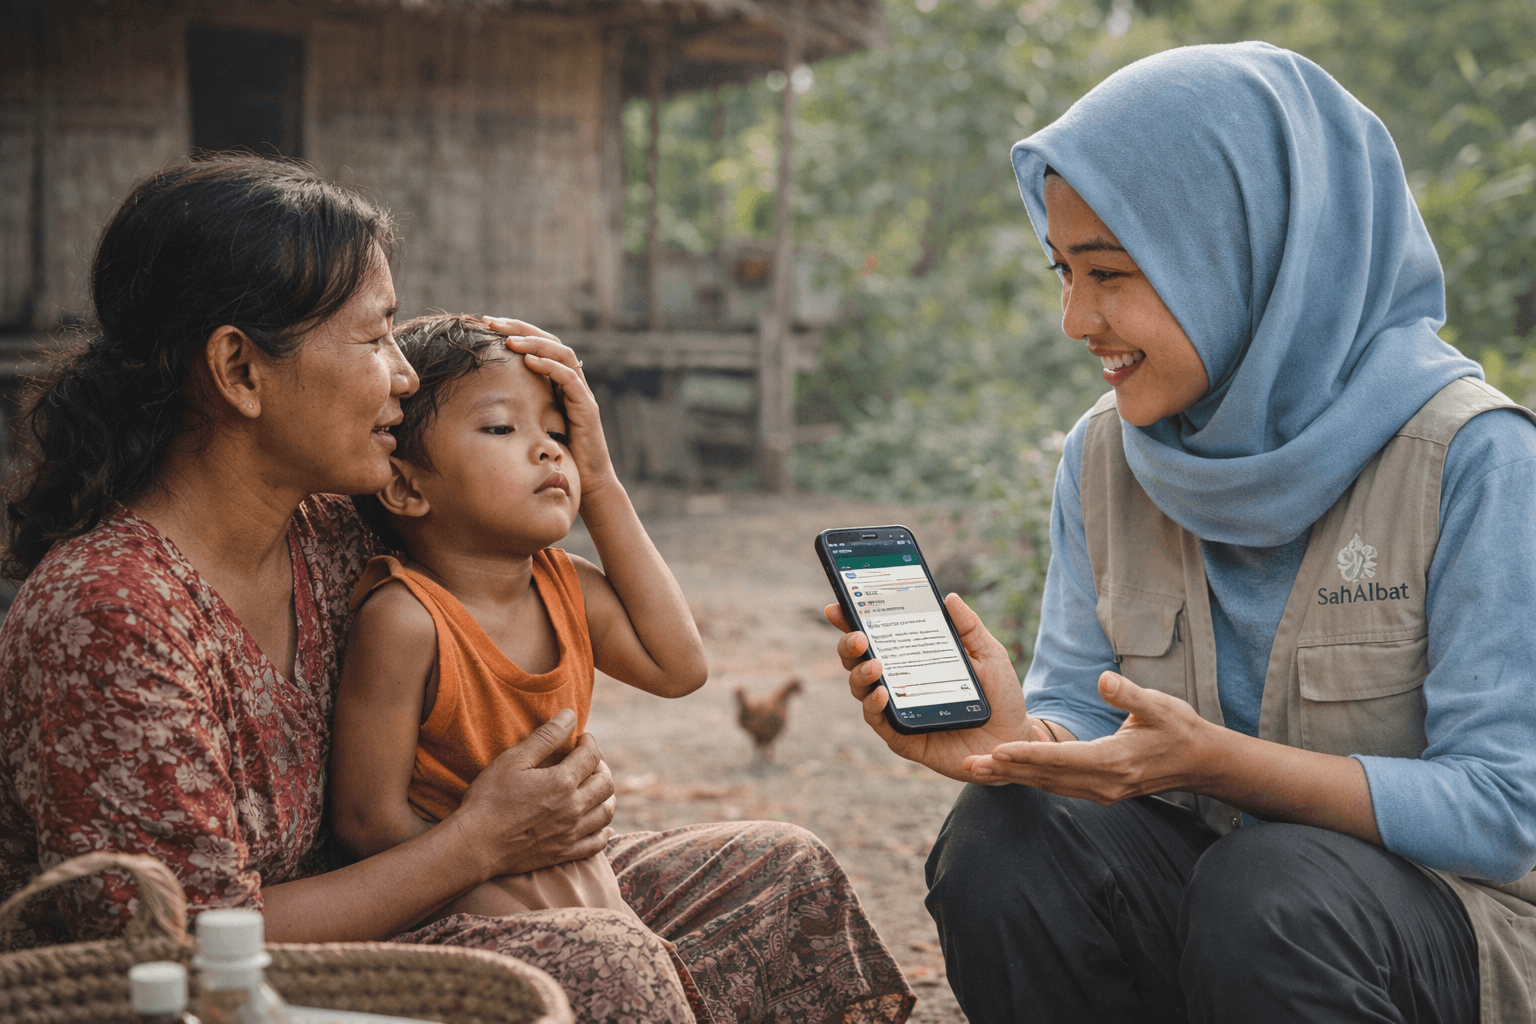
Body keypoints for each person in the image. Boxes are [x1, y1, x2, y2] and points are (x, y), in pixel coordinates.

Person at [0, 154, 915, 1024]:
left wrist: (579, 456)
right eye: (375, 337)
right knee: (605, 963)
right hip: (242, 989)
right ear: (240, 371)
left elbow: (521, 530)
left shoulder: (329, 531)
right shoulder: (111, 612)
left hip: (418, 897)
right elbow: (182, 948)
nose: (402, 375)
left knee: (779, 872)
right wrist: (477, 844)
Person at [829, 42, 1536, 1024]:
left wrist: (1220, 763)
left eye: (1109, 273)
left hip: (1430, 937)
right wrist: (1018, 741)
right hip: (1230, 920)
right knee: (1005, 834)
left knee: (1271, 888)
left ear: (1247, 253)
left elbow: (1503, 810)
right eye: (1063, 272)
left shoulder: (1475, 457)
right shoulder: (1105, 456)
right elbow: (1078, 708)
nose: (1076, 318)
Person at [331, 312, 705, 925]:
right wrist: (500, 898)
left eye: (557, 432)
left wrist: (601, 481)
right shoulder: (407, 620)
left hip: (572, 877)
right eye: (501, 427)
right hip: (460, 900)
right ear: (407, 488)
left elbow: (680, 668)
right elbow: (367, 821)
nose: (549, 449)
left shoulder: (568, 587)